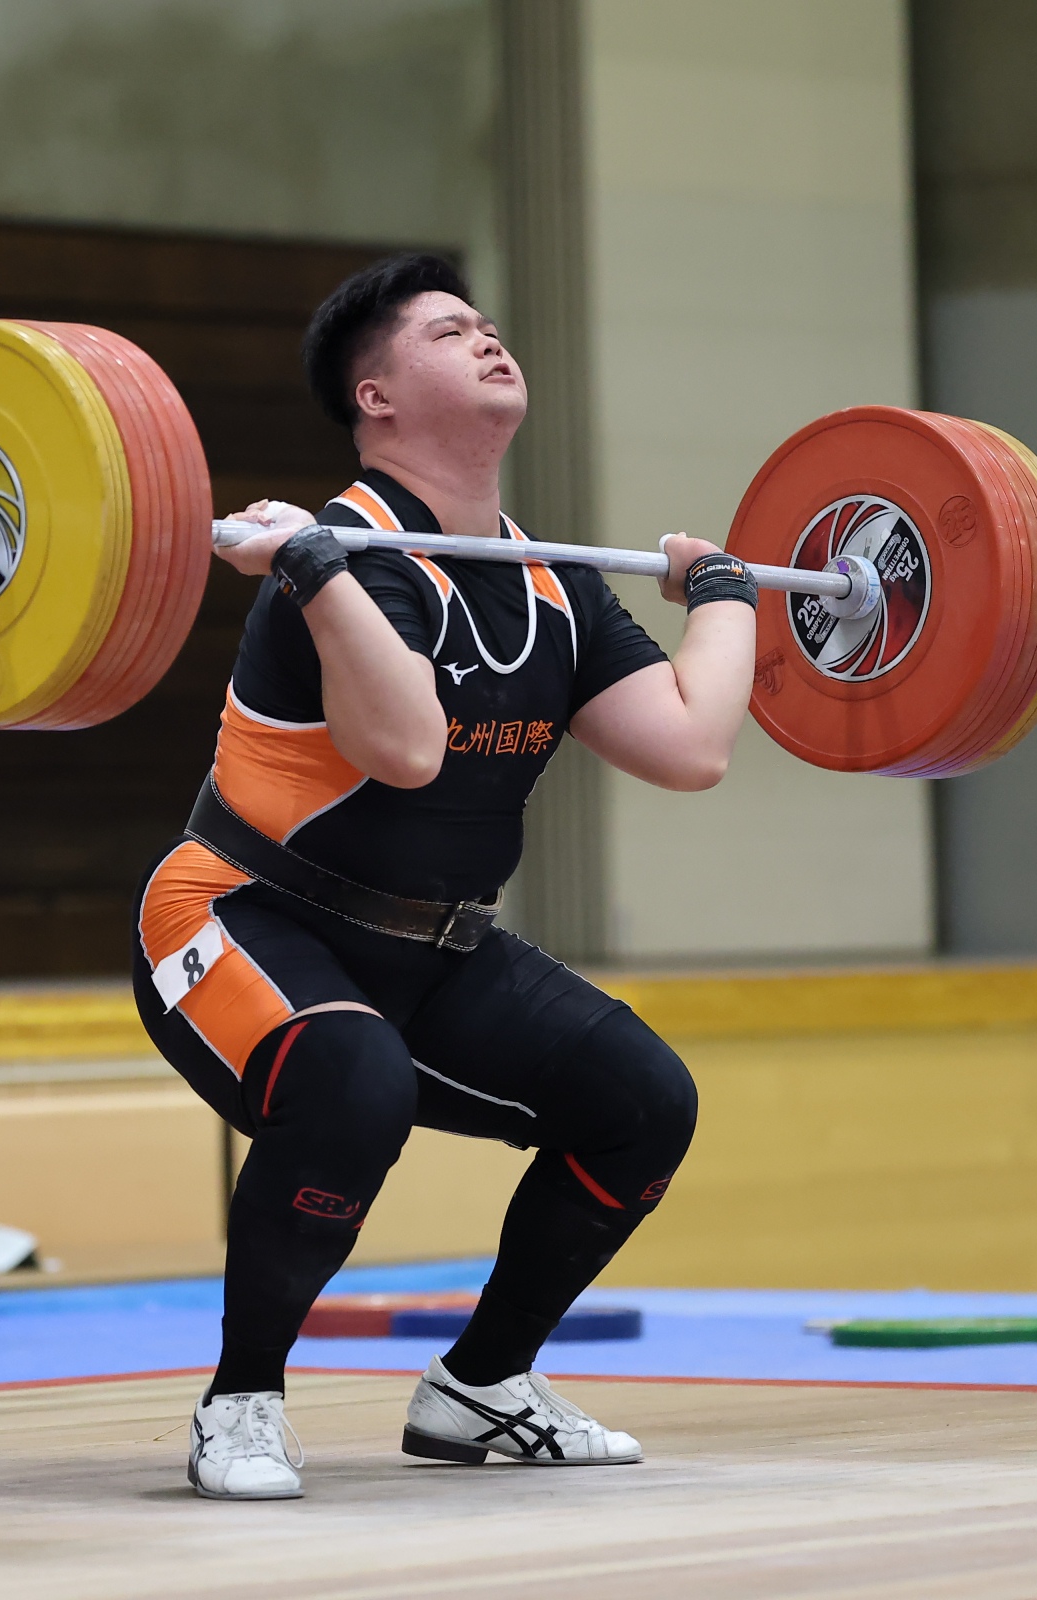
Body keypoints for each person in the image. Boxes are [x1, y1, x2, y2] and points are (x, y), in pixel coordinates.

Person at [131, 253, 758, 1500]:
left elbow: (691, 747)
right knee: (351, 1078)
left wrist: (726, 594)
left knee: (643, 1101)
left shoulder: (551, 579)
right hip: (241, 914)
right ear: (374, 397)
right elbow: (408, 750)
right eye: (447, 330)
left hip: (429, 947)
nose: (487, 338)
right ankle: (241, 1401)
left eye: (487, 323)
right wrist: (312, 572)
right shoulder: (350, 554)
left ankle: (482, 1385)